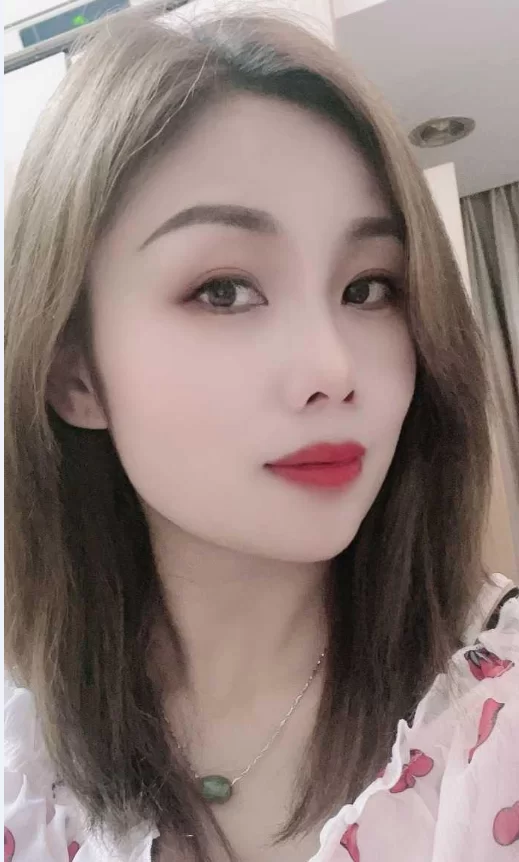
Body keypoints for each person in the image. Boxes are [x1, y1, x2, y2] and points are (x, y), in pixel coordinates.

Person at [4, 5, 519, 862]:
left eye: (368, 288)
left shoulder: (494, 727)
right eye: (223, 291)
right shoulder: (24, 765)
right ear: (75, 375)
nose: (332, 367)